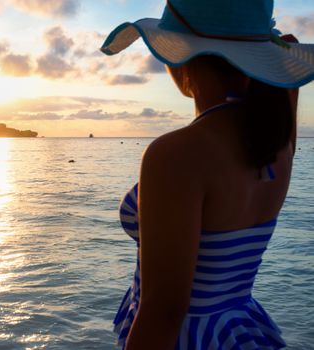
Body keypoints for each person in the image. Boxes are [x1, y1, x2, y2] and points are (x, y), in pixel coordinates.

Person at [100, 0, 314, 349]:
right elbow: (282, 94)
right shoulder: (279, 145)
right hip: (240, 330)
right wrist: (276, 63)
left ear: (180, 55)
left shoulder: (177, 155)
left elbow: (165, 311)